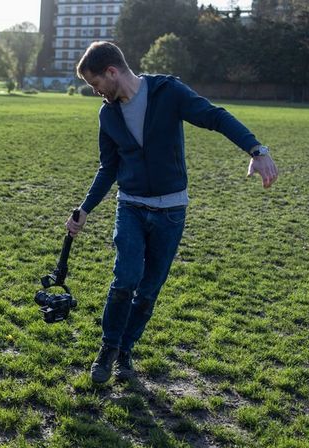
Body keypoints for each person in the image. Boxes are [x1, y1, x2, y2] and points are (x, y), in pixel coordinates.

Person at [66, 42, 278, 384]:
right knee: (125, 279)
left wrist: (256, 149)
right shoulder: (108, 114)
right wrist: (85, 209)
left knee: (148, 291)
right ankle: (107, 348)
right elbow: (109, 167)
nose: (95, 91)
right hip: (131, 205)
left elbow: (214, 116)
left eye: (96, 84)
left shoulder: (168, 92)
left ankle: (125, 350)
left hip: (171, 211)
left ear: (112, 72)